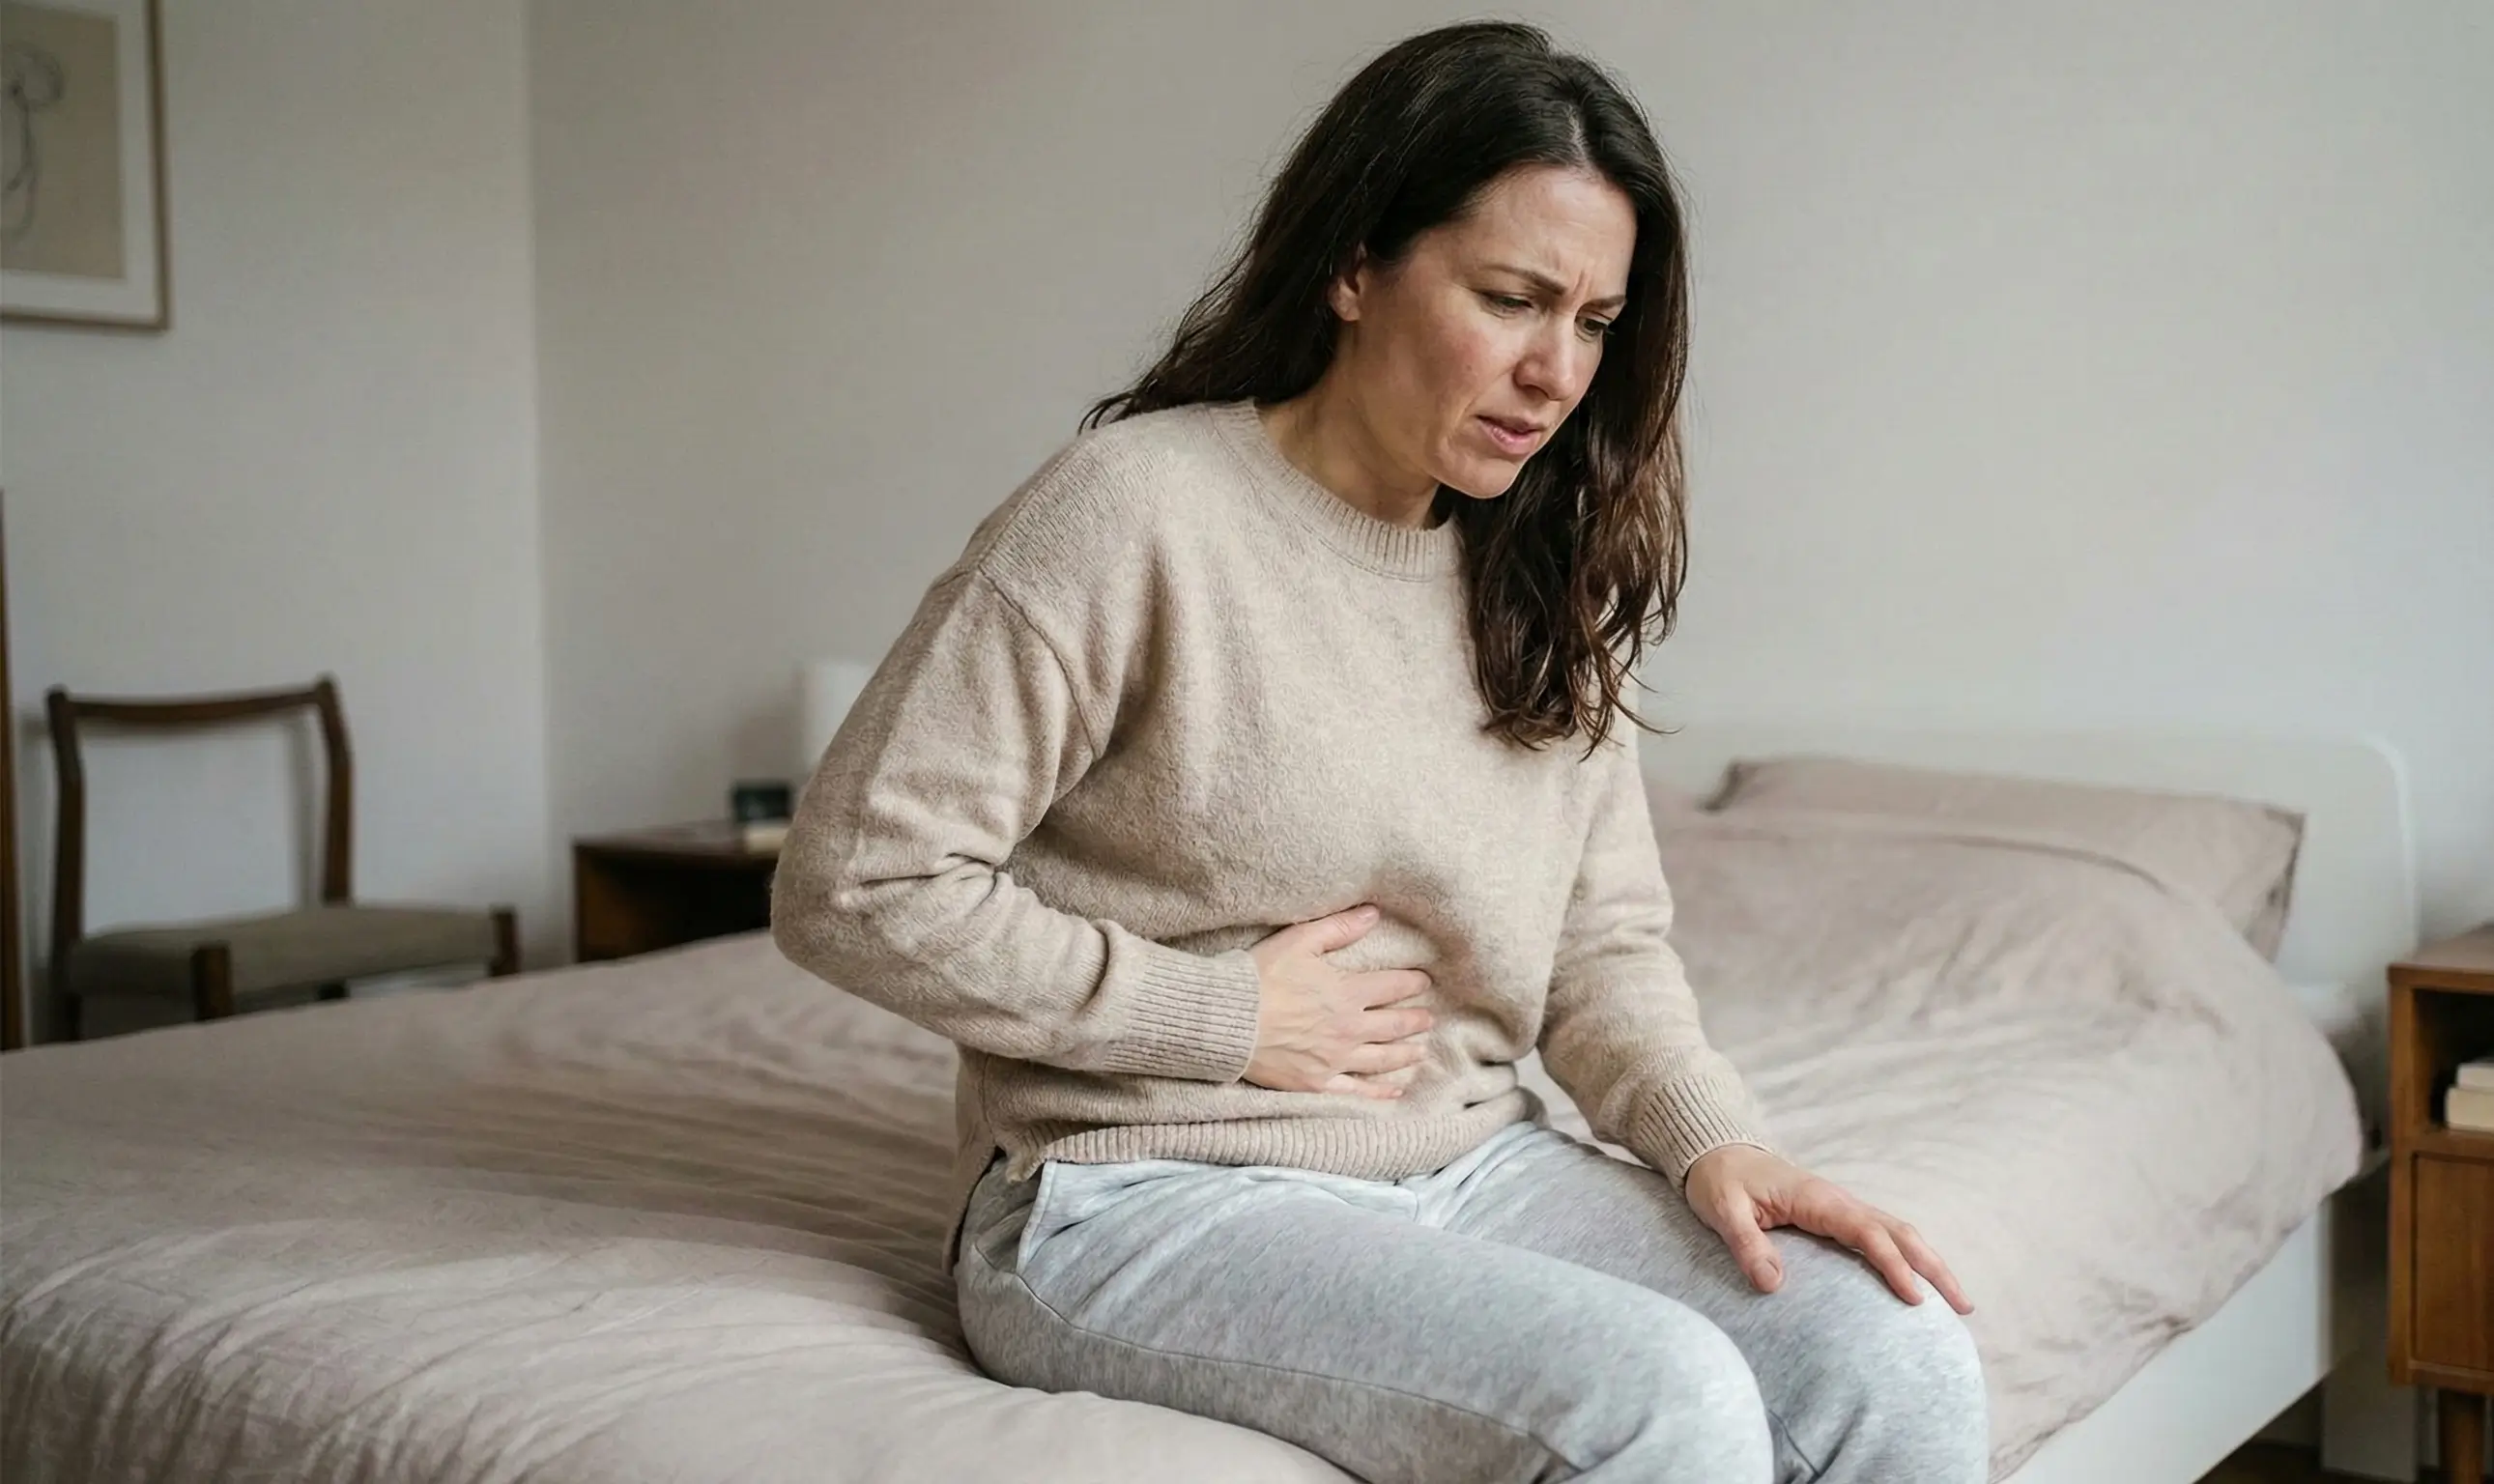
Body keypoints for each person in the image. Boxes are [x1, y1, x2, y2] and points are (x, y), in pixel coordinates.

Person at [772, 20, 1988, 1483]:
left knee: (1893, 1355)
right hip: (1140, 1196)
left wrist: (1713, 1139)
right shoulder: (1135, 512)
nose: (1555, 371)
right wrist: (1215, 1016)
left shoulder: (1545, 575)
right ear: (1357, 267)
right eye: (1511, 298)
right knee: (1657, 1398)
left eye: (1596, 321)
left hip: (1473, 1164)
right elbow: (855, 879)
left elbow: (1597, 948)